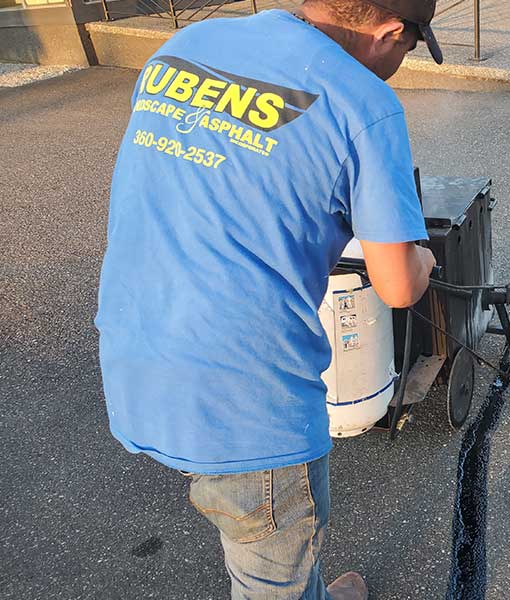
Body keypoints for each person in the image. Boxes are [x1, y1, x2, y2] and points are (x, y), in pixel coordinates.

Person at [95, 1, 442, 598]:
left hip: (137, 352)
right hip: (246, 400)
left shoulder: (186, 46)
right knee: (268, 561)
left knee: (272, 533)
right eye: (407, 51)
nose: (398, 66)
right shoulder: (364, 103)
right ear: (389, 31)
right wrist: (425, 257)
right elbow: (398, 285)